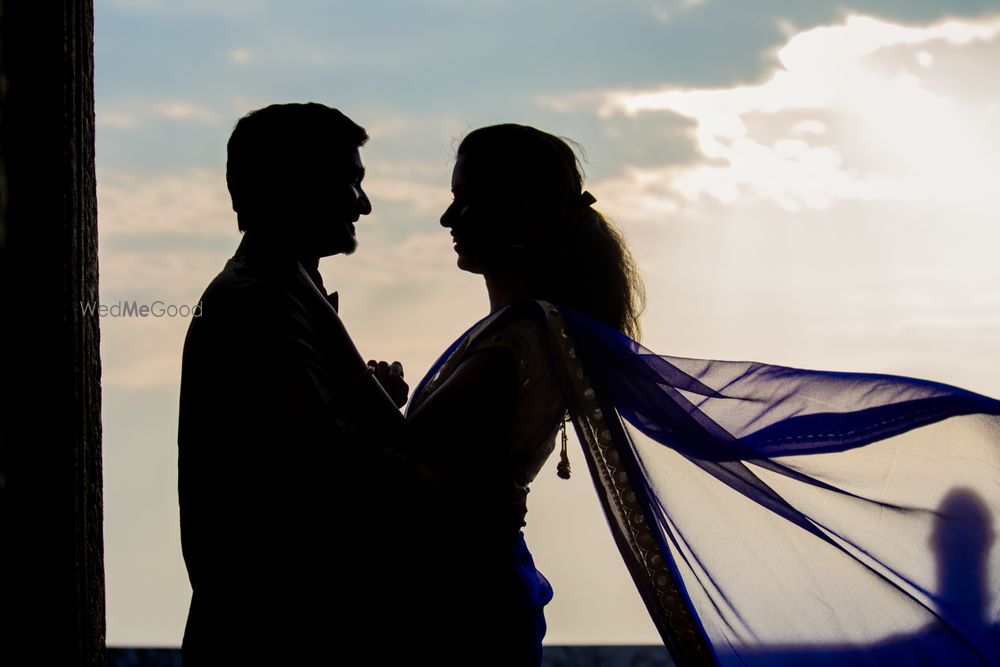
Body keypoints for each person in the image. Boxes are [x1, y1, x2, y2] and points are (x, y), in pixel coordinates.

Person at [397, 123, 1000, 666]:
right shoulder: (524, 330)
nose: (450, 219)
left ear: (521, 209)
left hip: (466, 600)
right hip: (468, 589)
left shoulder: (526, 335)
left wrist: (350, 385)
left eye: (466, 198)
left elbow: (405, 459)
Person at [177, 103, 417, 665]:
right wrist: (459, 494)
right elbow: (326, 458)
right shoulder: (259, 301)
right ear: (294, 186)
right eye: (348, 183)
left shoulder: (274, 292)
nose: (364, 204)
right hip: (280, 637)